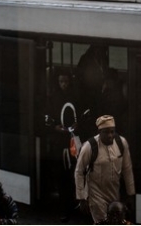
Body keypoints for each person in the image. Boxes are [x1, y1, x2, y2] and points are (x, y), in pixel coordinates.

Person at [45, 72, 90, 222]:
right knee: (62, 176)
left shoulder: (77, 97)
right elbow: (47, 119)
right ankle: (65, 208)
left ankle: (78, 205)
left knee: (77, 174)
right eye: (61, 81)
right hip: (59, 144)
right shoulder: (53, 98)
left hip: (75, 143)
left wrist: (79, 124)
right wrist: (55, 127)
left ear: (70, 81)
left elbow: (85, 115)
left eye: (66, 81)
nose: (64, 84)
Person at [75, 115, 136, 224]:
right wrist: (81, 197)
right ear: (99, 132)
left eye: (112, 132)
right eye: (106, 132)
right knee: (102, 222)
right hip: (96, 194)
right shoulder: (89, 146)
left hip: (114, 194)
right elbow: (79, 172)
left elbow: (127, 169)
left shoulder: (121, 143)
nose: (110, 135)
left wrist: (130, 194)